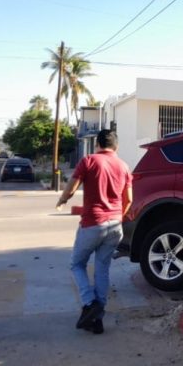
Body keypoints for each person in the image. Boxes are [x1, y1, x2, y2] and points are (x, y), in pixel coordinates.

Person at [56, 129, 132, 334]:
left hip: (93, 223)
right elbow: (129, 199)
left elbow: (71, 188)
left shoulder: (89, 160)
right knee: (102, 269)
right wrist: (119, 217)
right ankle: (96, 319)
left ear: (97, 144)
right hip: (115, 225)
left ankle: (90, 304)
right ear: (116, 146)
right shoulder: (124, 166)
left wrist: (62, 200)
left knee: (77, 264)